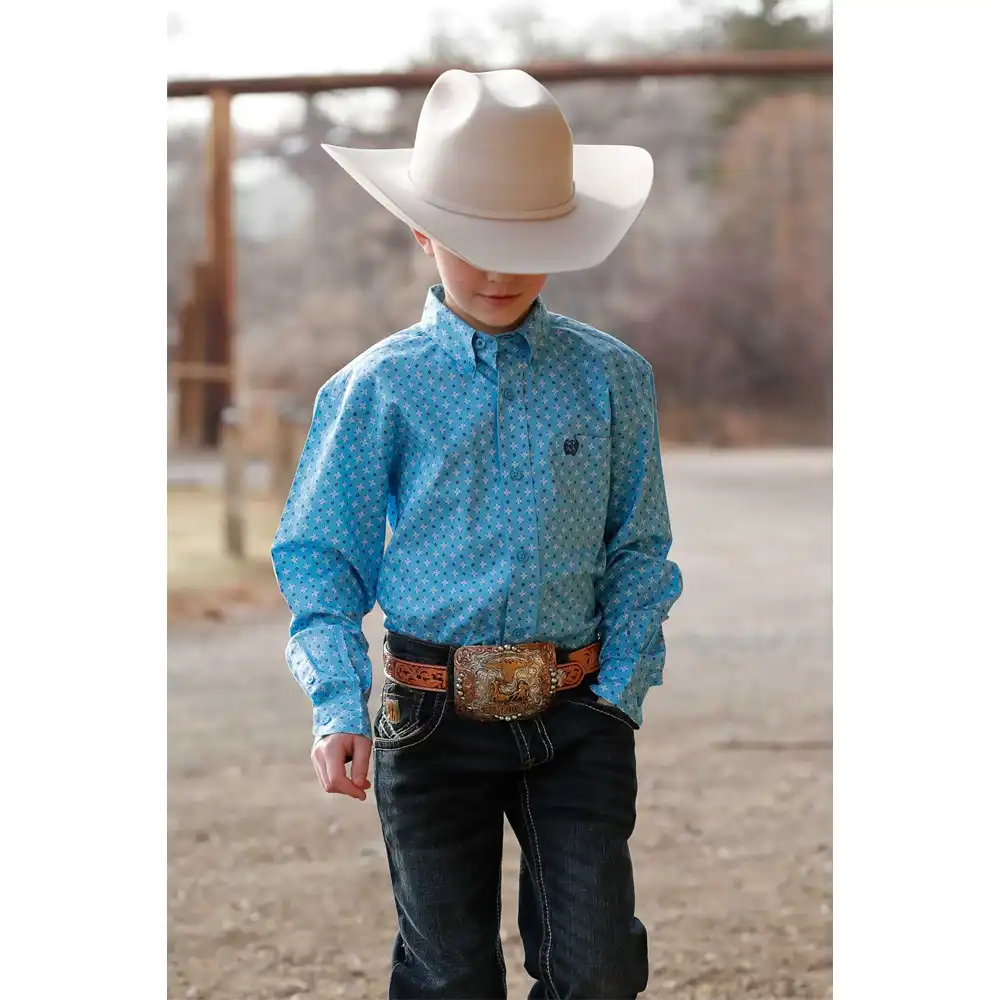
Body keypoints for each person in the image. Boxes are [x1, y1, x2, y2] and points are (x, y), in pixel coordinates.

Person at [271, 67, 683, 999]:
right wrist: (338, 703)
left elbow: (639, 550)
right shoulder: (375, 389)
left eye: (525, 244)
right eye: (470, 242)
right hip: (429, 719)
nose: (497, 271)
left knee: (597, 971)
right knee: (451, 974)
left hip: (578, 717)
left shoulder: (614, 380)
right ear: (423, 231)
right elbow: (322, 560)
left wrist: (617, 691)